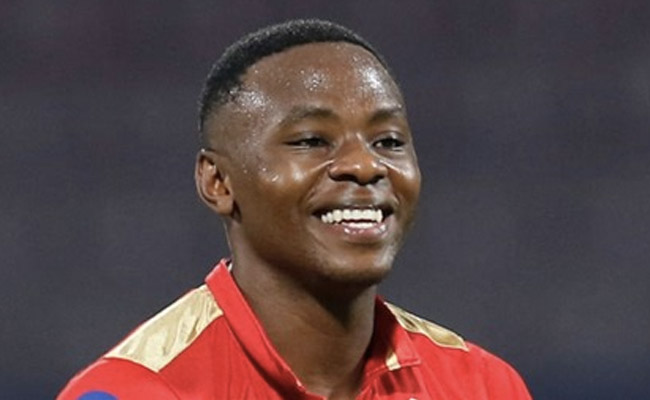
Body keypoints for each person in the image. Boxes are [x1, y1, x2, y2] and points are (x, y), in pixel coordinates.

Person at [58, 19, 532, 400]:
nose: (365, 165)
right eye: (311, 140)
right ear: (218, 182)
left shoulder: (480, 386)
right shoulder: (135, 391)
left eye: (388, 141)